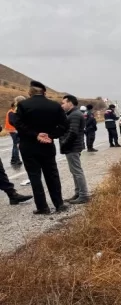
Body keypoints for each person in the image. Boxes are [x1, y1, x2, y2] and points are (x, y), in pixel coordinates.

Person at [14, 80, 69, 215]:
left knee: (34, 177)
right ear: (44, 92)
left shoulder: (23, 105)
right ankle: (59, 204)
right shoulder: (55, 106)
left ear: (30, 93)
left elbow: (18, 125)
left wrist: (35, 135)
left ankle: (42, 207)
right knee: (52, 175)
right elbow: (65, 125)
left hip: (29, 146)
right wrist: (51, 135)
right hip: (47, 145)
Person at [59, 95, 90, 204]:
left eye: (63, 103)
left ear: (70, 103)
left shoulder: (75, 115)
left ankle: (84, 195)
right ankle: (78, 193)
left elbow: (73, 132)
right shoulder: (72, 114)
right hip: (73, 146)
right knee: (74, 171)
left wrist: (63, 143)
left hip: (73, 147)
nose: (62, 105)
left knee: (77, 171)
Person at [4, 97, 25, 167]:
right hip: (13, 130)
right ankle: (16, 160)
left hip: (12, 130)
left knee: (15, 145)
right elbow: (13, 122)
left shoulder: (10, 111)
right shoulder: (12, 112)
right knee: (16, 145)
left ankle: (14, 159)